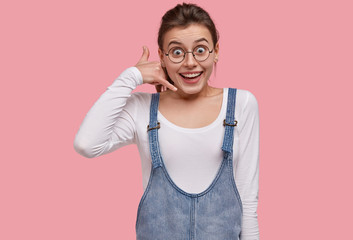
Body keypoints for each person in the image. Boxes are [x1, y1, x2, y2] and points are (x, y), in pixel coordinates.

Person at [73, 3, 259, 240]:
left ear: (216, 51)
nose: (190, 63)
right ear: (161, 56)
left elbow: (248, 202)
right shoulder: (142, 108)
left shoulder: (241, 105)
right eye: (177, 52)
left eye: (200, 50)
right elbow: (86, 144)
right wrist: (133, 75)